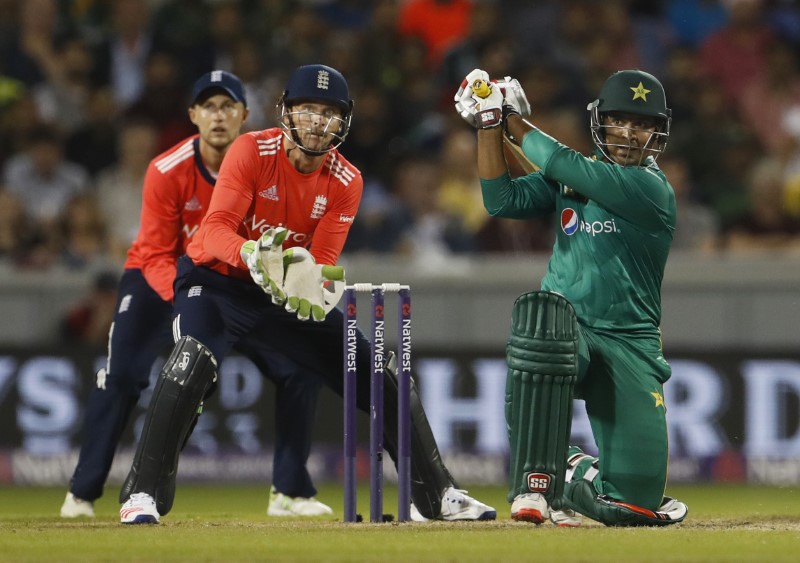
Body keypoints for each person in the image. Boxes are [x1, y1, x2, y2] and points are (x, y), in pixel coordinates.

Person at [118, 63, 496, 524]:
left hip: (281, 293)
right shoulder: (250, 150)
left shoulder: (346, 181)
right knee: (191, 358)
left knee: (383, 371)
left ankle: (438, 496)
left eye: (329, 113)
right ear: (287, 113)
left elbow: (320, 263)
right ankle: (142, 495)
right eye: (307, 110)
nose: (318, 121)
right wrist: (254, 255)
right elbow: (215, 231)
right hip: (217, 282)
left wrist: (315, 286)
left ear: (343, 122)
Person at [61, 70, 331, 520]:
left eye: (228, 106)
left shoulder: (271, 164)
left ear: (245, 115)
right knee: (123, 375)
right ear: (193, 116)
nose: (219, 116)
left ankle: (290, 491)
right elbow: (154, 254)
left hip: (237, 283)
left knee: (300, 368)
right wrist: (186, 305)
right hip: (157, 281)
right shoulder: (167, 171)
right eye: (208, 107)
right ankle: (82, 492)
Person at [455, 67, 689, 526]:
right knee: (543, 324)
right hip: (569, 331)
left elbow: (561, 163)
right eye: (618, 120)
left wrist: (511, 119)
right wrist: (489, 126)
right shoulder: (577, 176)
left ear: (657, 133)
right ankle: (535, 481)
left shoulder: (650, 188)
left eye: (641, 124)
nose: (627, 133)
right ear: (599, 122)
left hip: (631, 344)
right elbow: (501, 200)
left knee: (634, 504)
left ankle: (570, 476)